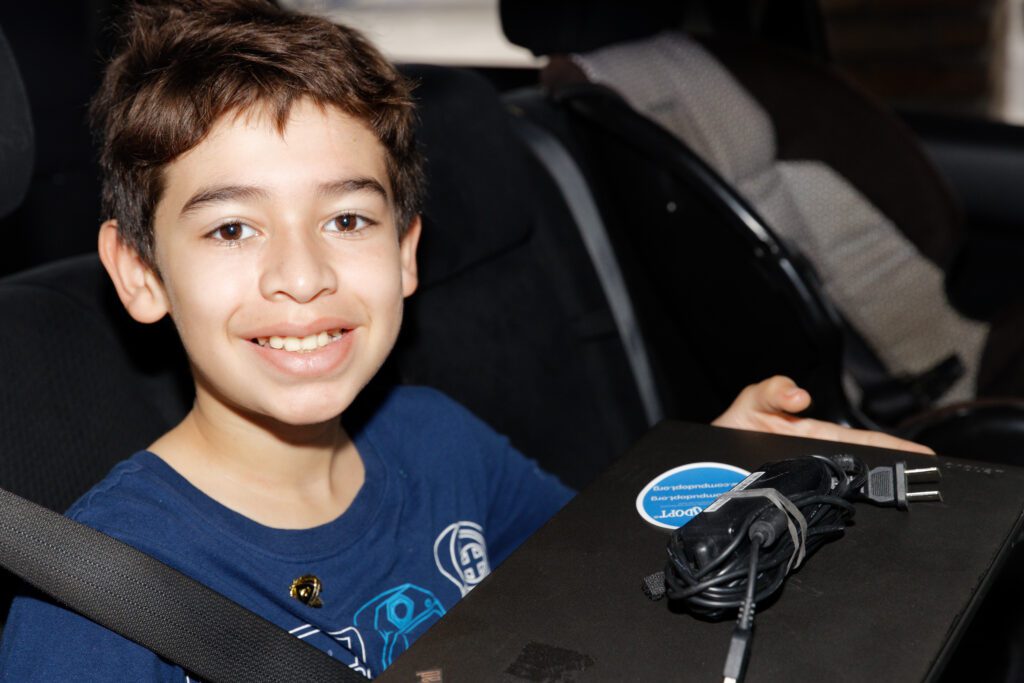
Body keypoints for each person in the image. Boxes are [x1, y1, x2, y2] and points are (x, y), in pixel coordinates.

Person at [0, 0, 930, 679]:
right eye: (232, 228)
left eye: (350, 221)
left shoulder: (437, 436)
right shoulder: (95, 601)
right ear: (141, 274)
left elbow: (605, 573)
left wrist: (716, 461)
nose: (303, 274)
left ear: (408, 255)